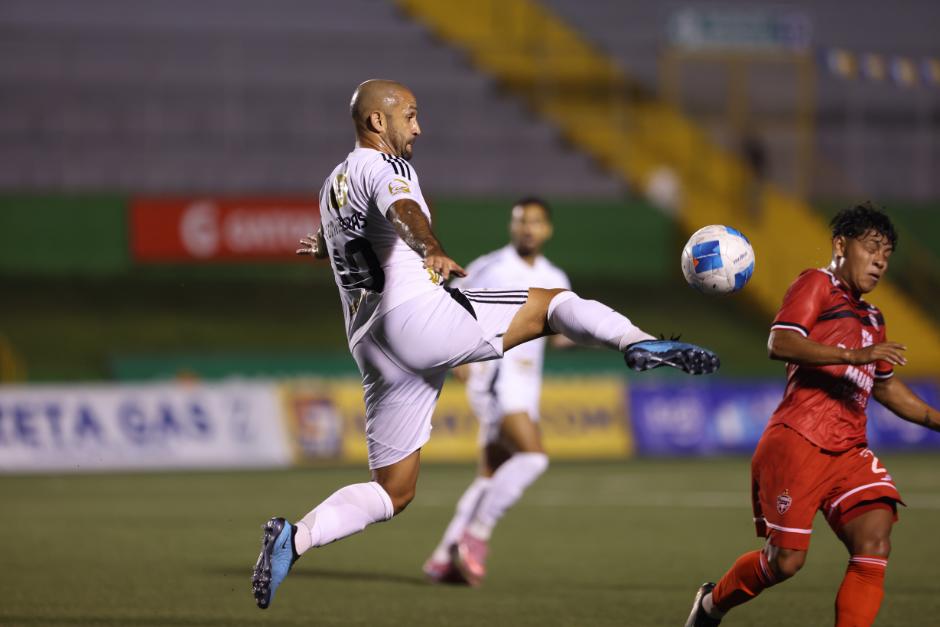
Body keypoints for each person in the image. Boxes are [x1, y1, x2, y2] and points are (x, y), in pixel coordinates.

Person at [250, 79, 720, 610]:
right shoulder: (389, 167)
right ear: (377, 122)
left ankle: (297, 537)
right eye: (410, 115)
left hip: (371, 345)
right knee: (552, 303)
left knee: (394, 491)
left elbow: (356, 245)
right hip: (414, 318)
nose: (418, 127)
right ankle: (638, 341)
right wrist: (433, 248)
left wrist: (325, 250)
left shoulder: (331, 184)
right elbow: (406, 212)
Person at [685, 203, 940, 627]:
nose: (880, 260)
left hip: (849, 451)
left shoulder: (873, 316)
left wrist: (936, 419)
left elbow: (886, 385)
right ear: (841, 245)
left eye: (888, 254)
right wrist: (853, 355)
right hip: (798, 441)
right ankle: (711, 605)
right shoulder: (816, 283)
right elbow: (781, 342)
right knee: (785, 563)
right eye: (872, 247)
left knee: (875, 542)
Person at [422, 196, 572, 586]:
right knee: (534, 458)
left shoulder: (556, 276)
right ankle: (476, 536)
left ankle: (442, 557)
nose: (527, 228)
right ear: (512, 226)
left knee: (490, 476)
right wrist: (456, 360)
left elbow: (563, 333)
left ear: (547, 230)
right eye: (521, 221)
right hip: (495, 380)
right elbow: (446, 305)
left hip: (526, 385)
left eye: (535, 222)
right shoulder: (492, 266)